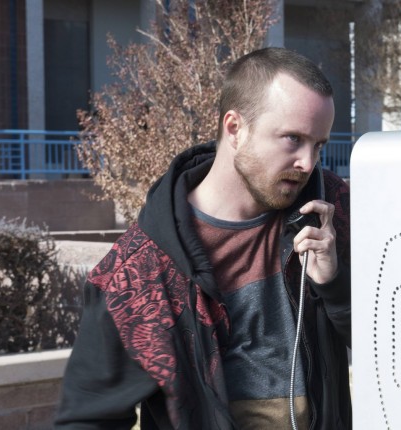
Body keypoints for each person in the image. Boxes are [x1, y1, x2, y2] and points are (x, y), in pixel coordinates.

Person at [55, 47, 351, 430]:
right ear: (235, 128)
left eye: (319, 144)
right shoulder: (140, 269)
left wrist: (335, 286)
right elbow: (87, 419)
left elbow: (394, 343)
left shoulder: (330, 209)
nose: (308, 163)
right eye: (292, 139)